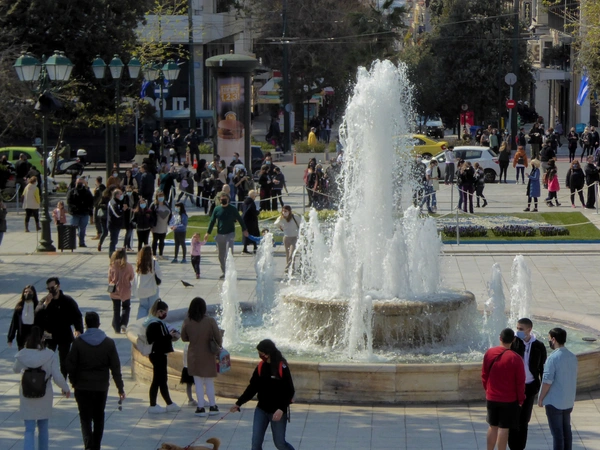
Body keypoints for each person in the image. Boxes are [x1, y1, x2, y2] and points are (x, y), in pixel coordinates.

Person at [66, 312, 125, 450]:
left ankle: (88, 446)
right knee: (99, 417)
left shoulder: (78, 343)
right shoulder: (108, 343)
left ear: (86, 325)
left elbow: (70, 365)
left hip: (82, 386)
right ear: (99, 324)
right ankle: (96, 446)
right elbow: (115, 368)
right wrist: (120, 388)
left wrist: (74, 382)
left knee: (85, 418)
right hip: (101, 386)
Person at [230, 339, 295, 450]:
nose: (260, 356)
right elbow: (252, 388)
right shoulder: (261, 367)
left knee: (280, 443)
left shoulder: (281, 367)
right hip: (261, 410)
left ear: (268, 353)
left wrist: (281, 409)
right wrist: (238, 403)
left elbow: (289, 391)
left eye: (261, 353)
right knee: (255, 444)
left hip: (277, 410)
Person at [13, 326, 70, 450]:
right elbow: (57, 375)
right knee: (43, 427)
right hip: (44, 393)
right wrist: (65, 388)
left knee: (29, 429)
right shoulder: (49, 354)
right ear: (42, 338)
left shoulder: (23, 354)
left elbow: (15, 369)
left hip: (27, 393)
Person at [481, 328, 525, 450]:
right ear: (514, 340)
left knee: (492, 426)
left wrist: (488, 390)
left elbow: (484, 375)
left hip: (492, 397)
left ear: (500, 338)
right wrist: (521, 399)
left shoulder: (489, 353)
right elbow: (520, 382)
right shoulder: (516, 358)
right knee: (504, 428)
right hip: (509, 399)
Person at [508, 318, 547, 450]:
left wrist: (541, 388)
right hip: (514, 387)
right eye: (517, 328)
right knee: (513, 419)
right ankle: (512, 446)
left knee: (524, 420)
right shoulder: (514, 342)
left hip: (530, 387)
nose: (518, 331)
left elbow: (542, 368)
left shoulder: (539, 346)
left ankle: (520, 447)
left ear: (529, 330)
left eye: (521, 329)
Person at [181, 297, 222, 417]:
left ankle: (200, 407)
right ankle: (213, 406)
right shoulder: (210, 321)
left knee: (198, 382)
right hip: (208, 354)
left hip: (194, 355)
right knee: (209, 381)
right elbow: (218, 338)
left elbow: (184, 337)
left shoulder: (187, 321)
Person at [537, 328, 578, 450]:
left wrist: (541, 398)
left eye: (549, 338)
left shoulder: (553, 358)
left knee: (557, 434)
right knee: (566, 431)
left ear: (553, 339)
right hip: (568, 400)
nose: (549, 341)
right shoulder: (572, 356)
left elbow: (547, 381)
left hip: (554, 402)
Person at [35, 277, 83, 376]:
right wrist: (45, 304)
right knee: (47, 358)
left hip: (64, 334)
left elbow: (77, 316)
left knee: (64, 360)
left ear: (58, 286)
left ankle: (63, 379)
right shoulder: (45, 300)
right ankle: (46, 378)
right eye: (48, 288)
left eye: (53, 287)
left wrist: (78, 329)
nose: (51, 290)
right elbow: (37, 314)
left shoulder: (67, 300)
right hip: (49, 334)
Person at [145, 299, 181, 414]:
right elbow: (158, 340)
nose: (165, 315)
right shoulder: (155, 324)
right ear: (159, 311)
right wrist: (170, 336)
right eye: (164, 312)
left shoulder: (152, 322)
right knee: (158, 380)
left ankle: (167, 403)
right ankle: (155, 404)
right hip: (158, 355)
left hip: (157, 354)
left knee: (161, 379)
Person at [205, 191, 249, 279]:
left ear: (228, 199)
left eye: (224, 199)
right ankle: (224, 272)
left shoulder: (232, 209)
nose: (223, 201)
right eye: (221, 199)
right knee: (221, 255)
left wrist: (244, 229)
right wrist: (208, 233)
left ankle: (230, 271)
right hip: (220, 234)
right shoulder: (217, 209)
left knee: (229, 253)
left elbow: (239, 219)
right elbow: (212, 221)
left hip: (230, 233)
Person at [108, 248, 134, 334]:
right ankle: (123, 323)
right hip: (125, 290)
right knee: (126, 307)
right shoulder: (128, 266)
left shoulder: (112, 266)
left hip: (114, 290)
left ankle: (116, 328)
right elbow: (132, 277)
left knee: (116, 309)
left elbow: (109, 278)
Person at [133, 245, 162, 319]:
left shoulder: (139, 262)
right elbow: (159, 275)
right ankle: (151, 321)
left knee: (143, 307)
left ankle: (140, 321)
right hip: (152, 288)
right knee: (152, 307)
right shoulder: (153, 263)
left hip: (141, 289)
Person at [8, 285, 39, 350]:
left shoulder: (37, 306)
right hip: (22, 335)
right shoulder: (19, 306)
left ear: (33, 293)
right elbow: (14, 323)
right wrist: (10, 338)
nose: (27, 293)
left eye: (30, 292)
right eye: (26, 292)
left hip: (33, 335)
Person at [275, 205, 304, 273]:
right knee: (288, 254)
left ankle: (287, 267)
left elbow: (302, 224)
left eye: (285, 211)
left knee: (292, 253)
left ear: (289, 211)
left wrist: (301, 232)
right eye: (283, 211)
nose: (284, 212)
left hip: (294, 238)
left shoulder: (295, 217)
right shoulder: (281, 218)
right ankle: (291, 268)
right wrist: (281, 227)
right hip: (286, 238)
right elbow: (276, 223)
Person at [66, 176, 94, 247]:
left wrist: (90, 211)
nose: (79, 184)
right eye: (78, 183)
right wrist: (73, 208)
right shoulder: (72, 192)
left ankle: (81, 242)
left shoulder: (87, 192)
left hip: (84, 213)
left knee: (82, 229)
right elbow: (69, 202)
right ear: (76, 183)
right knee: (72, 229)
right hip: (75, 214)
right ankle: (71, 243)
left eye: (81, 183)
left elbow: (91, 201)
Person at [107, 189, 128, 256]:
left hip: (118, 224)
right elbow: (117, 214)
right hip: (113, 224)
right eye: (120, 194)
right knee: (113, 240)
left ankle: (113, 253)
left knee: (115, 240)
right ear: (116, 195)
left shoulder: (119, 202)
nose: (121, 195)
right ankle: (111, 254)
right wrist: (123, 210)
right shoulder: (113, 202)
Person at [151, 190, 171, 259]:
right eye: (159, 196)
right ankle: (154, 254)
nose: (161, 197)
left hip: (164, 226)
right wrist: (151, 225)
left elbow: (170, 213)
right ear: (157, 197)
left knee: (162, 241)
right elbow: (150, 214)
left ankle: (161, 254)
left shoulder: (166, 204)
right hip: (156, 226)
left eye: (162, 196)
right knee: (155, 240)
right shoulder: (154, 205)